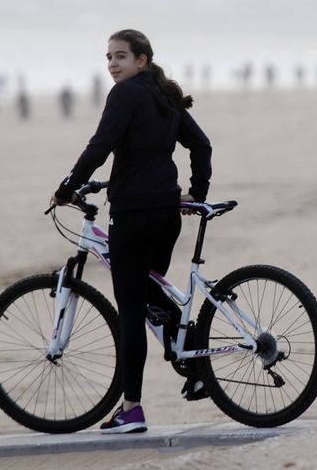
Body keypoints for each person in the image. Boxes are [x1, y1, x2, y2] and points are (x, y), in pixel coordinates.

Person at [52, 30, 212, 434]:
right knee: (150, 295)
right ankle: (196, 366)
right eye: (108, 57)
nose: (112, 64)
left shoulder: (125, 94)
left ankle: (131, 409)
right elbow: (201, 145)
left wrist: (68, 187)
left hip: (133, 214)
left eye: (120, 56)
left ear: (142, 60)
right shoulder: (164, 95)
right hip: (167, 214)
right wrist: (197, 191)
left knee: (131, 312)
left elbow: (100, 146)